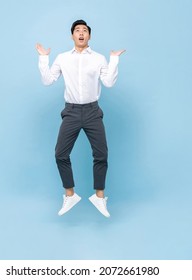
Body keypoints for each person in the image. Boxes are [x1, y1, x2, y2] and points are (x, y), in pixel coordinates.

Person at [36, 19, 125, 218]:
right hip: (72, 111)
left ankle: (99, 197)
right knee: (60, 154)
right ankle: (70, 195)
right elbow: (48, 80)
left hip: (93, 111)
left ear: (89, 36)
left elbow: (109, 82)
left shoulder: (99, 58)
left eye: (85, 30)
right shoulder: (62, 58)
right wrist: (43, 59)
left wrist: (114, 60)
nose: (81, 33)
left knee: (101, 154)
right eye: (77, 30)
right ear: (72, 36)